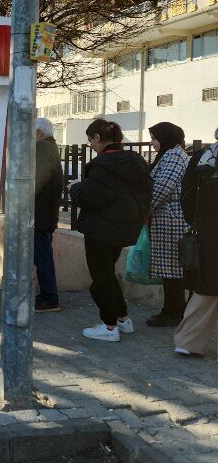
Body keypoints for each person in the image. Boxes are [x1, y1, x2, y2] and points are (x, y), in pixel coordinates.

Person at [70, 119, 150, 341]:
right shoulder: (135, 161)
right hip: (124, 227)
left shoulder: (104, 165)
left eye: (90, 140)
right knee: (108, 273)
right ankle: (123, 319)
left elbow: (90, 197)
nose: (91, 145)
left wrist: (75, 188)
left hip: (101, 229)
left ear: (98, 137)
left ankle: (109, 326)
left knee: (101, 277)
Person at [174, 129, 218, 358]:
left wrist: (197, 221)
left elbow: (187, 196)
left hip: (209, 232)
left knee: (206, 289)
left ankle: (189, 341)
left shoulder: (203, 157)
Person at [146, 122, 189, 327]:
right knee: (170, 271)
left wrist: (144, 209)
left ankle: (173, 312)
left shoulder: (174, 156)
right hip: (165, 219)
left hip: (170, 220)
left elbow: (162, 187)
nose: (152, 142)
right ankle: (172, 310)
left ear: (165, 137)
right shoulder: (170, 154)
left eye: (155, 138)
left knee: (173, 271)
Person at [34, 117, 63, 313]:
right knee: (43, 255)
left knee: (42, 257)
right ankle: (46, 295)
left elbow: (36, 182)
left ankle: (50, 298)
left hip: (40, 214)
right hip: (46, 213)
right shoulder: (51, 148)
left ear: (39, 133)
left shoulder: (42, 149)